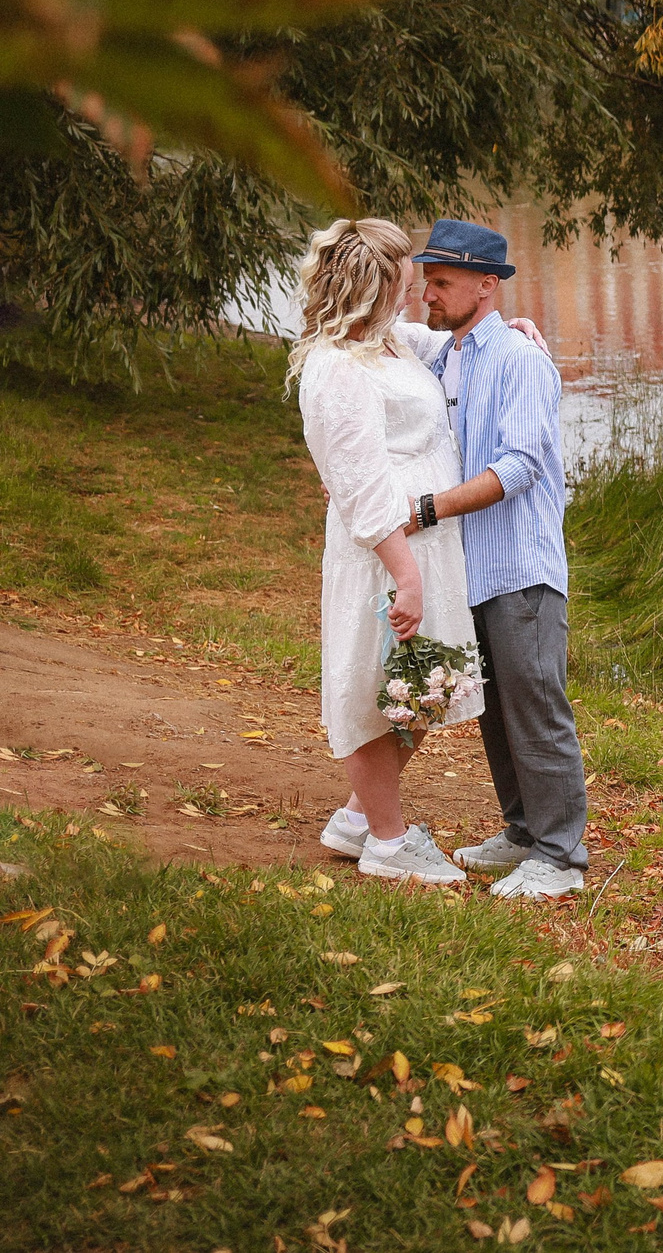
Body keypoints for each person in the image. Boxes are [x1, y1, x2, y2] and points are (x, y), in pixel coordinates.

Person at [400, 219, 590, 899]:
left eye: (442, 281)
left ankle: (561, 856)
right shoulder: (447, 356)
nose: (429, 292)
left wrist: (429, 508)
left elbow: (521, 464)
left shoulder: (519, 359)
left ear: (487, 285)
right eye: (427, 280)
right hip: (471, 569)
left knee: (536, 706)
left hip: (520, 567)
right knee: (493, 708)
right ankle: (522, 834)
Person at [293, 219, 482, 884]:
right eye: (404, 286)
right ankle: (387, 842)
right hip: (386, 552)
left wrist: (496, 335)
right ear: (372, 293)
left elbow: (442, 342)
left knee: (423, 688)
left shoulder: (387, 343)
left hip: (425, 546)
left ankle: (356, 817)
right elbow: (364, 488)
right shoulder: (337, 370)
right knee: (378, 693)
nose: (414, 297)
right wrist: (405, 574)